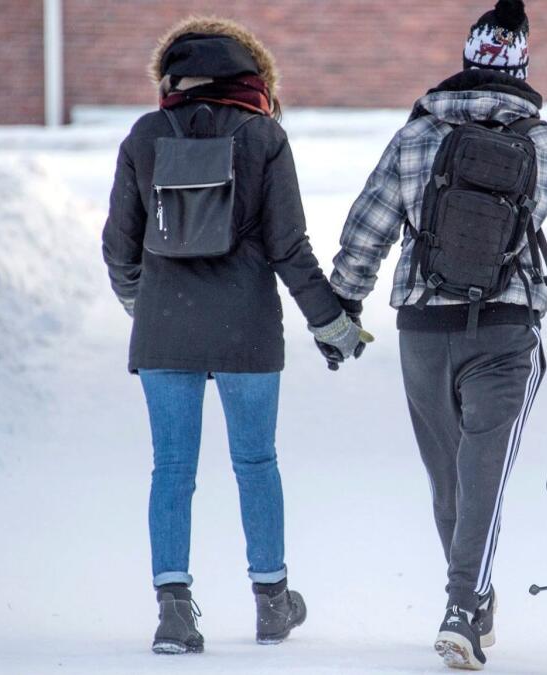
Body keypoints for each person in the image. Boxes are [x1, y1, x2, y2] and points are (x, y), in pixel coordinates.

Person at [328, 1, 547, 669]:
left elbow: (367, 226)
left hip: (423, 330)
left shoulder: (416, 138)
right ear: (522, 69)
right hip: (505, 330)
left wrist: (342, 304)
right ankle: (465, 605)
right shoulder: (546, 147)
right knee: (482, 477)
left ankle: (469, 599)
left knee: (449, 485)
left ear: (465, 63)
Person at [101, 16, 371, 655]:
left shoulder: (145, 135)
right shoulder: (263, 136)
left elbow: (118, 248)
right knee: (256, 463)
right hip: (247, 330)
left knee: (171, 469)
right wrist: (332, 325)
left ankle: (173, 613)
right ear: (251, 76)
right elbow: (289, 248)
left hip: (164, 333)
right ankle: (272, 602)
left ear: (172, 77)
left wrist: (146, 305)